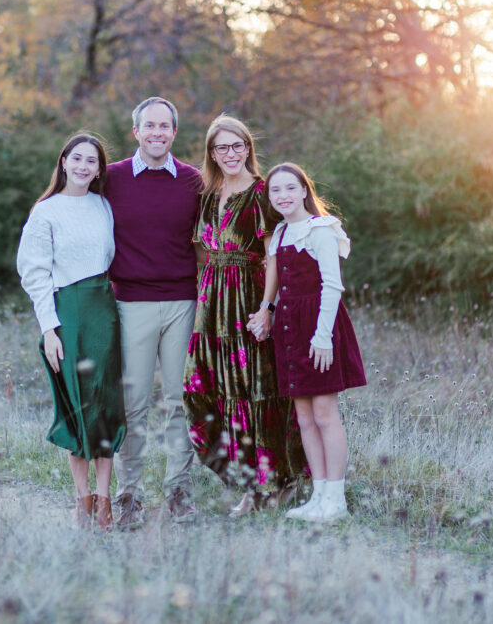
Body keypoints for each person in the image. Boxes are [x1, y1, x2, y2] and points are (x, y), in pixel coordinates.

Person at [183, 115, 306, 517]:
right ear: (212, 153)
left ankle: (271, 484)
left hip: (249, 298)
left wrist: (267, 308)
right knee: (204, 388)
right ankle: (243, 480)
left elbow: (273, 255)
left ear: (248, 149)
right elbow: (201, 250)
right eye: (222, 148)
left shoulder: (259, 192)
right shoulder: (206, 195)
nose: (231, 154)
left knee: (256, 393)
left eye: (238, 146)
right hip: (212, 303)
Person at [16, 133, 126, 531]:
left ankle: (104, 500)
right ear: (63, 162)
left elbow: (111, 258)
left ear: (100, 169)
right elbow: (35, 273)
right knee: (76, 405)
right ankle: (81, 502)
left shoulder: (102, 206)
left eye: (91, 161)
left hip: (103, 310)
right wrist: (50, 328)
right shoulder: (45, 212)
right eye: (76, 158)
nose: (83, 166)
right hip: (68, 312)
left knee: (105, 403)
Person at [104, 97, 204, 528]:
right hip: (131, 303)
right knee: (134, 404)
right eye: (150, 125)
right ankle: (129, 496)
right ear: (136, 132)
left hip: (183, 302)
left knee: (181, 401)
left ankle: (179, 491)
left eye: (165, 126)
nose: (157, 132)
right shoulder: (112, 179)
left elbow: (212, 239)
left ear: (174, 132)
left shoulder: (193, 182)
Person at [259, 162, 367, 523]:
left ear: (304, 190)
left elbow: (332, 286)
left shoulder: (321, 230)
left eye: (290, 188)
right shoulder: (280, 233)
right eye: (276, 191)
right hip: (289, 328)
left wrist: (323, 338)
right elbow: (278, 286)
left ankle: (336, 500)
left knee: (324, 414)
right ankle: (318, 495)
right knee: (304, 417)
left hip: (318, 326)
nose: (283, 196)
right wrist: (267, 313)